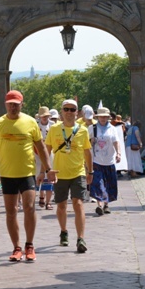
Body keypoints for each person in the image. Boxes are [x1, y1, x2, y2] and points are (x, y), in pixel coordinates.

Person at [0, 90, 54, 262]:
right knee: (11, 211)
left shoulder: (30, 122)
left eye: (16, 103)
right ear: (5, 104)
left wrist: (47, 168)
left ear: (22, 104)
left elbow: (41, 147)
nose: (13, 106)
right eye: (10, 103)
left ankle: (29, 245)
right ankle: (17, 247)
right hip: (7, 174)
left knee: (29, 207)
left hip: (27, 172)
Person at [45, 100, 93, 253]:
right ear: (61, 111)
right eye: (66, 109)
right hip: (59, 173)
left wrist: (90, 171)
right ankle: (64, 231)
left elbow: (87, 152)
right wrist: (47, 170)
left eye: (72, 110)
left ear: (77, 112)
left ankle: (80, 238)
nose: (69, 112)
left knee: (78, 203)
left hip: (78, 172)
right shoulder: (53, 129)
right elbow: (47, 150)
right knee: (61, 206)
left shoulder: (83, 130)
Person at [89, 107, 121, 215]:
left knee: (108, 184)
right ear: (98, 117)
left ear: (108, 117)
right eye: (101, 116)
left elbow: (116, 142)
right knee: (98, 183)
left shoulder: (112, 128)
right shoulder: (92, 128)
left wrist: (118, 153)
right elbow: (86, 143)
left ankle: (106, 205)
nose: (103, 118)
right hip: (96, 160)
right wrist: (91, 141)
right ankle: (99, 205)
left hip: (109, 161)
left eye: (105, 116)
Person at [35, 106, 54, 210]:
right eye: (43, 116)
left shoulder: (53, 125)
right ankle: (41, 195)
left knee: (49, 174)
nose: (44, 118)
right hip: (37, 153)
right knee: (39, 174)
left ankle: (48, 201)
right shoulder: (35, 125)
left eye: (46, 116)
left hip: (50, 152)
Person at [111, 112, 128, 176]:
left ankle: (116, 170)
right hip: (120, 141)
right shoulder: (122, 124)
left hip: (114, 142)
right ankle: (119, 171)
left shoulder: (111, 124)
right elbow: (124, 132)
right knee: (120, 154)